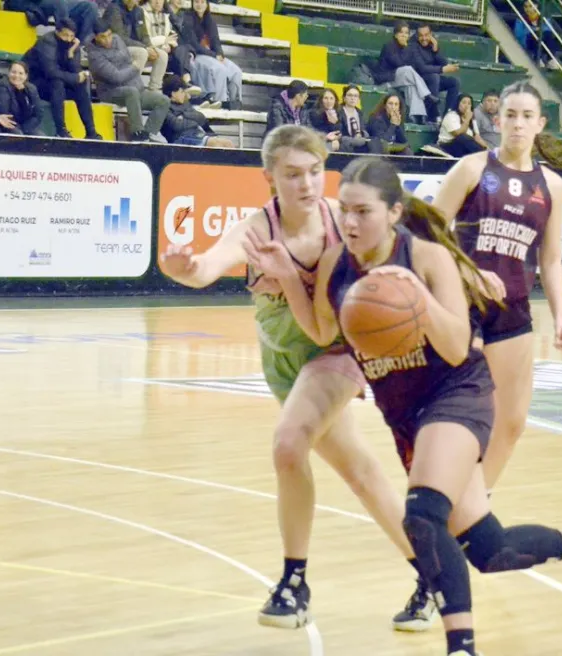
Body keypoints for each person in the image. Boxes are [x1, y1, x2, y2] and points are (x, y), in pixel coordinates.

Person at [243, 156, 562, 656]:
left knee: (421, 515)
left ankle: (461, 648)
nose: (349, 223)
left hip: (456, 393)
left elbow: (459, 346)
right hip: (406, 414)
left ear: (394, 212)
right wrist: (288, 277)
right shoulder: (337, 265)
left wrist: (419, 300)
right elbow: (323, 332)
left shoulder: (428, 258)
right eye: (345, 210)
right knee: (490, 549)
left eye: (363, 212)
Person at [158, 125, 436, 632]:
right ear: (269, 178)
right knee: (361, 473)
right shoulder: (256, 227)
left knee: (289, 445)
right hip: (284, 361)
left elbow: (392, 260)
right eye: (292, 174)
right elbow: (205, 268)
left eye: (314, 172)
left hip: (335, 348)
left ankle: (294, 581)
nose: (307, 184)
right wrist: (182, 267)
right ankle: (433, 573)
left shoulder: (341, 225)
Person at [431, 80, 562, 491]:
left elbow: (550, 259)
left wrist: (561, 317)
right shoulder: (472, 169)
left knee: (512, 422)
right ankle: (443, 491)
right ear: (497, 121)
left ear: (540, 123)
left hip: (513, 309)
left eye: (527, 116)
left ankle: (478, 500)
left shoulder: (550, 186)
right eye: (510, 115)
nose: (517, 124)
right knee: (466, 412)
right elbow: (427, 234)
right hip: (462, 305)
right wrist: (468, 271)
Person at [0, 61, 46, 136]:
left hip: (26, 125)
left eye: (21, 73)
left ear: (26, 76)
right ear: (8, 73)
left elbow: (38, 113)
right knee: (18, 135)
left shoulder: (31, 88)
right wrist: (20, 94)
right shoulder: (1, 86)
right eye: (13, 72)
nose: (16, 76)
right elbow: (6, 113)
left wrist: (26, 128)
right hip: (6, 123)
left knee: (40, 137)